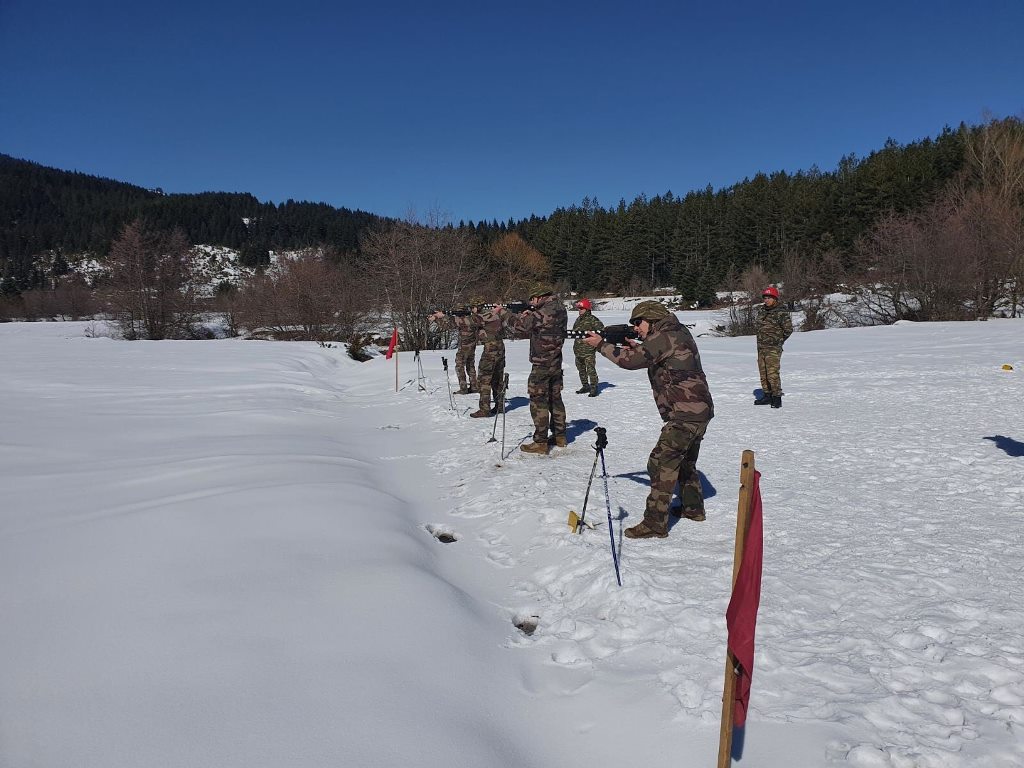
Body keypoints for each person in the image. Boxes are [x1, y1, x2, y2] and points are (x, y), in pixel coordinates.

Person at [584, 300, 714, 539]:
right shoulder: (676, 331)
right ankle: (693, 508)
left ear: (652, 319)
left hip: (685, 414)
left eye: (638, 323)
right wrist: (637, 347)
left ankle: (655, 523)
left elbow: (630, 361)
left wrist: (601, 345)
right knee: (684, 461)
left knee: (660, 463)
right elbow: (656, 356)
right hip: (697, 411)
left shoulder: (664, 336)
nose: (636, 328)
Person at [504, 284, 568, 455]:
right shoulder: (560, 308)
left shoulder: (544, 311)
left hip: (542, 363)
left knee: (538, 400)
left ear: (540, 297)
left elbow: (521, 327)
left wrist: (505, 314)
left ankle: (540, 442)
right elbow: (541, 326)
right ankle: (560, 436)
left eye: (533, 299)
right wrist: (530, 315)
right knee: (555, 399)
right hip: (556, 361)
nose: (532, 302)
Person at [753, 286, 793, 408]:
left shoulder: (781, 312)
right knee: (763, 373)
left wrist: (778, 340)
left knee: (772, 373)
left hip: (773, 348)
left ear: (775, 298)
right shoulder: (762, 311)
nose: (766, 300)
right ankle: (767, 395)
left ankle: (776, 397)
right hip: (761, 347)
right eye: (765, 298)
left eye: (769, 298)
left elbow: (788, 330)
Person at [429, 302, 480, 394]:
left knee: (459, 366)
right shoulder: (473, 318)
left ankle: (463, 388)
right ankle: (474, 386)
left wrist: (438, 318)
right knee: (470, 365)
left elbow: (446, 326)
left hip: (464, 346)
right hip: (472, 345)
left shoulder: (462, 320)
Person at [469, 301, 506, 418]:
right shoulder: (495, 314)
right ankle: (500, 406)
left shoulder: (483, 316)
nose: (471, 309)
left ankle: (484, 409)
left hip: (490, 350)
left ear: (477, 307)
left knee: (484, 379)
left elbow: (466, 322)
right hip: (500, 348)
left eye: (472, 307)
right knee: (497, 379)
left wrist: (442, 317)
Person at [571, 298, 604, 397]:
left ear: (587, 309)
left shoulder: (593, 319)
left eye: (581, 308)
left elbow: (601, 332)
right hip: (578, 350)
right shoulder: (578, 319)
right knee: (581, 369)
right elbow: (574, 331)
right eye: (579, 309)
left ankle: (594, 387)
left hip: (589, 351)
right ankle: (585, 386)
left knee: (590, 370)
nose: (579, 310)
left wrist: (594, 343)